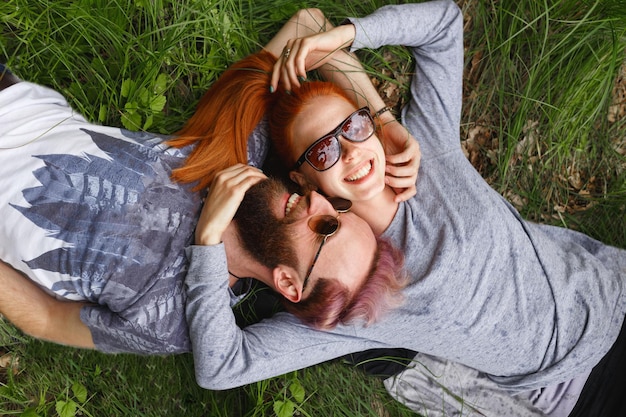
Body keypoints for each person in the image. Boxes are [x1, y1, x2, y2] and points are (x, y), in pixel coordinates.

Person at [175, 1, 626, 416]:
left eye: (352, 127)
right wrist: (208, 246)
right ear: (302, 180)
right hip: (579, 386)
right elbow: (221, 367)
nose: (350, 152)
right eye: (322, 152)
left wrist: (346, 42)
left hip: (611, 285)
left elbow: (442, 24)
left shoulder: (425, 150)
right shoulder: (351, 295)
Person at [0, 7, 413, 354]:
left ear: (288, 281)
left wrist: (208, 241)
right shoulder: (239, 151)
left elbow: (48, 318)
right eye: (336, 207)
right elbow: (311, 26)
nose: (317, 202)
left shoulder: (174, 321)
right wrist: (383, 120)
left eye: (326, 227)